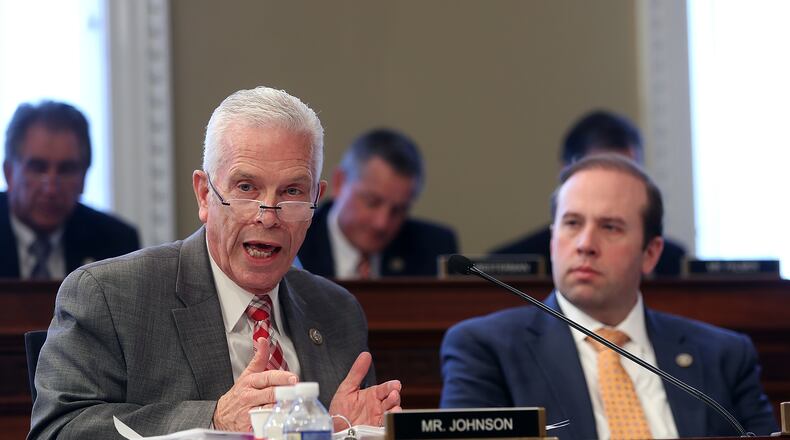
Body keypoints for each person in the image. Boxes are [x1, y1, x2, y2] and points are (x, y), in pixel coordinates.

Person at [29, 87, 401, 439]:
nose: (268, 216)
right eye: (246, 188)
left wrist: (339, 431)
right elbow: (59, 430)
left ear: (315, 201)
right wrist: (215, 421)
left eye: (291, 192)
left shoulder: (337, 311)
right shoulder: (110, 296)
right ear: (205, 194)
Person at [441, 155, 777, 439]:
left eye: (610, 227)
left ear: (651, 253)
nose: (585, 243)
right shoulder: (486, 349)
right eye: (572, 223)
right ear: (552, 237)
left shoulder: (724, 356)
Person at [491, 110, 686, 276]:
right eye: (573, 223)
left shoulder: (672, 262)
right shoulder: (509, 264)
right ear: (566, 173)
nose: (586, 245)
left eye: (624, 174)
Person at [0, 101, 139, 279]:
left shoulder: (117, 243)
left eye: (66, 170)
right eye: (38, 168)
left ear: (83, 178)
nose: (51, 189)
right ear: (9, 173)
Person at [298, 128, 457, 279]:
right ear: (339, 182)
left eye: (398, 210)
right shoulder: (297, 241)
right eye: (372, 202)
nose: (381, 223)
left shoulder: (432, 247)